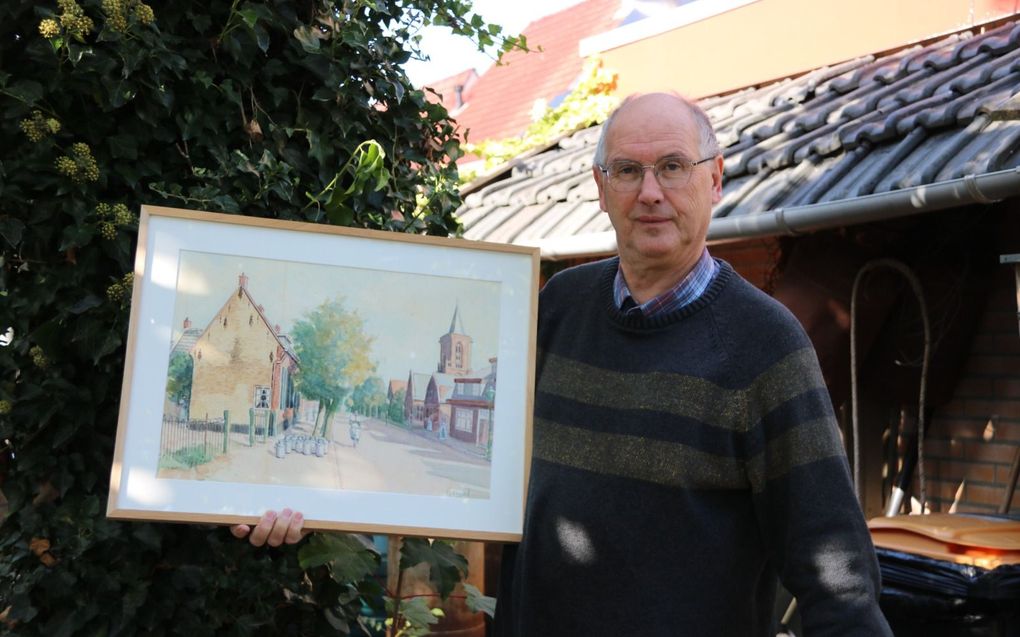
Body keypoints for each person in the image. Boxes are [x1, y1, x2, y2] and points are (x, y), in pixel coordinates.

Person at [233, 92, 892, 636]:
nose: (651, 192)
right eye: (628, 171)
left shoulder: (764, 345)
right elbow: (457, 471)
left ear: (715, 178)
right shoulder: (558, 305)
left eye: (673, 166)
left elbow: (835, 570)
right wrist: (301, 487)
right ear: (600, 188)